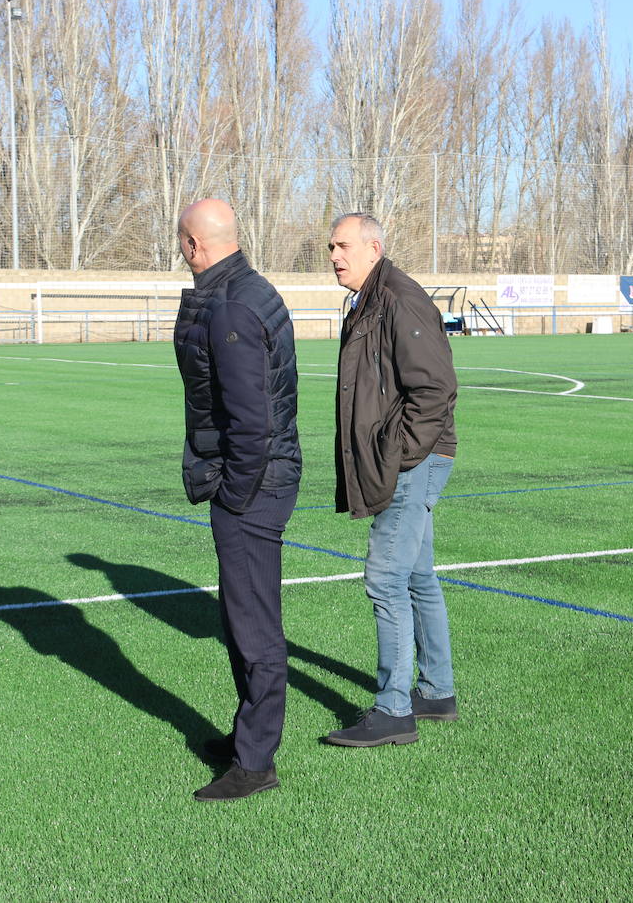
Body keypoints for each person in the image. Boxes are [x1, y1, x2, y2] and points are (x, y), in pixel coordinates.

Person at [172, 198, 302, 800]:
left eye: (182, 241)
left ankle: (256, 763)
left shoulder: (230, 306)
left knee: (253, 626)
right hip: (258, 480)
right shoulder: (249, 291)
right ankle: (247, 734)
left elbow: (251, 423)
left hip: (253, 487)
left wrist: (233, 494)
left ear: (195, 244)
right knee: (239, 616)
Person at [323, 212, 459, 748]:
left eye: (342, 246)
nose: (334, 256)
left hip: (413, 459)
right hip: (409, 457)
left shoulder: (398, 298)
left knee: (385, 579)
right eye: (330, 247)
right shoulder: (371, 297)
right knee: (416, 574)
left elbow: (435, 389)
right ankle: (436, 691)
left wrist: (398, 454)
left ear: (374, 247)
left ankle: (394, 708)